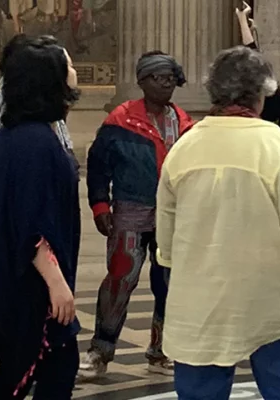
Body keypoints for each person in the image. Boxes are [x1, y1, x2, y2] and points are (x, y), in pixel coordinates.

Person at [157, 45, 280, 399]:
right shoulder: (275, 146)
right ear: (262, 94)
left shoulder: (184, 146)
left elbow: (166, 238)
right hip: (270, 302)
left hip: (199, 304)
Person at [0, 34, 83, 400]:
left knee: (40, 370)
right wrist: (56, 282)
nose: (74, 70)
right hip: (27, 287)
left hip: (21, 281)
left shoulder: (22, 134)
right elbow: (30, 223)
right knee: (34, 371)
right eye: (66, 64)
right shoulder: (33, 142)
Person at [80, 50, 194, 379]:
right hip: (129, 213)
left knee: (169, 283)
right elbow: (99, 166)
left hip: (172, 217)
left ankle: (161, 349)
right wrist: (100, 205)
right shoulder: (120, 120)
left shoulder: (184, 123)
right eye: (158, 78)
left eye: (170, 79)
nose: (165, 84)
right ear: (142, 82)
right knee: (120, 279)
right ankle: (100, 349)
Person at [235, 2, 280, 125]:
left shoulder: (259, 86)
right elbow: (251, 49)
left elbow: (251, 50)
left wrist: (243, 21)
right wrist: (243, 23)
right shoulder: (272, 92)